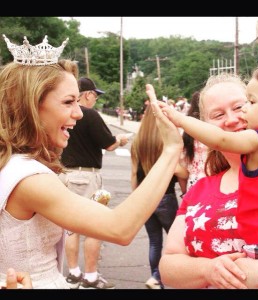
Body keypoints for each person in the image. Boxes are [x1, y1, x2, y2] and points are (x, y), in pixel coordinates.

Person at [0, 35, 183, 289]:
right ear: (30, 106)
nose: (78, 112)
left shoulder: (9, 164)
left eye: (78, 101)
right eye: (68, 102)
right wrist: (172, 150)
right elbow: (120, 228)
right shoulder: (29, 178)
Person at [148, 72, 258, 289]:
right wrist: (208, 270)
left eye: (240, 106)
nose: (231, 119)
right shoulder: (199, 189)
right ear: (205, 127)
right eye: (218, 115)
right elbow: (169, 268)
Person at [59, 77, 128, 289]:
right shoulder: (89, 115)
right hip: (86, 175)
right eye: (95, 97)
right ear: (87, 94)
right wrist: (121, 140)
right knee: (94, 227)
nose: (95, 101)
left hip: (64, 173)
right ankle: (90, 276)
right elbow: (108, 144)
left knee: (70, 228)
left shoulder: (60, 113)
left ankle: (73, 273)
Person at [130, 105, 183, 289]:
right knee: (176, 242)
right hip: (165, 197)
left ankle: (155, 277)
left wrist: (136, 199)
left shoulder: (138, 142)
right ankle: (165, 277)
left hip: (145, 199)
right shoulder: (165, 142)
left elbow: (133, 174)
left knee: (154, 242)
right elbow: (179, 171)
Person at [178, 90, 208, 193]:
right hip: (214, 181)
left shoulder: (187, 131)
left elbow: (183, 163)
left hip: (193, 183)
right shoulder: (213, 129)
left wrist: (183, 193)